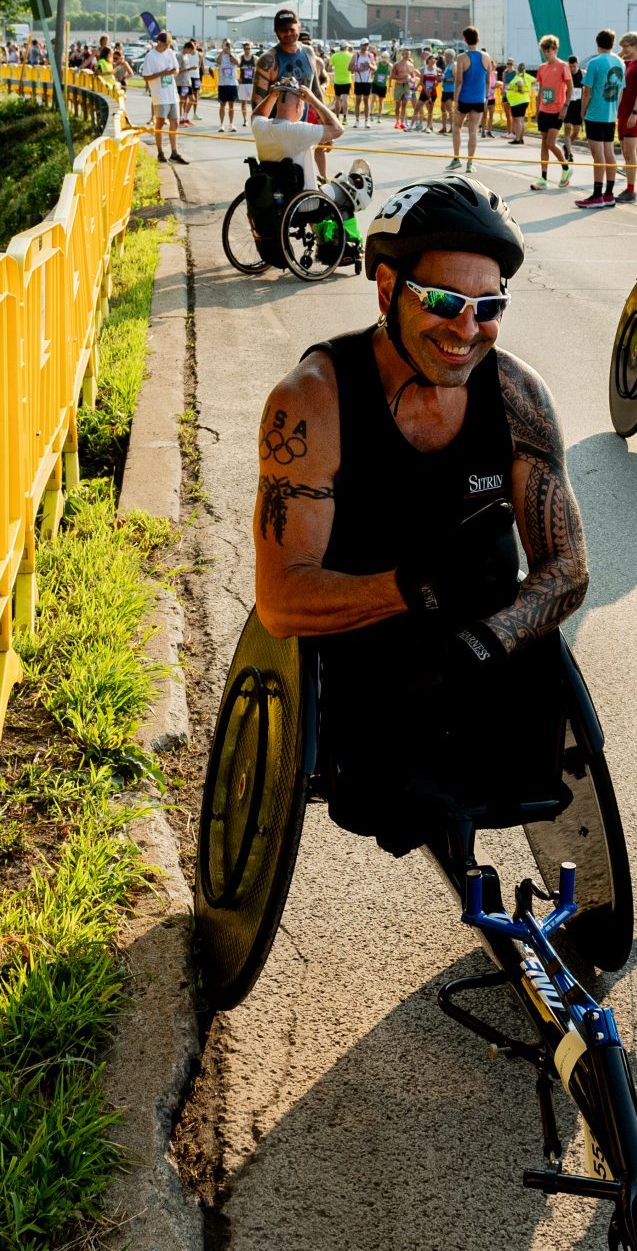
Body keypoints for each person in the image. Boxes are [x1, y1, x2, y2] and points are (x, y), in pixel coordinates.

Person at [250, 175, 588, 855]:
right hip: (372, 638)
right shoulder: (314, 400)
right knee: (397, 787)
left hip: (488, 632)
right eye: (442, 301)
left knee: (535, 708)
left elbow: (568, 568)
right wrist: (412, 590)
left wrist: (485, 640)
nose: (467, 328)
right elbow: (282, 603)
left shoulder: (519, 394)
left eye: (488, 305)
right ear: (386, 291)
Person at [577, 29, 627, 209]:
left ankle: (597, 194)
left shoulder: (594, 63)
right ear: (613, 44)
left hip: (595, 113)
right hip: (610, 113)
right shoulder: (620, 63)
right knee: (609, 153)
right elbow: (620, 91)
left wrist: (582, 111)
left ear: (597, 43)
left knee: (598, 155)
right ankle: (609, 193)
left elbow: (587, 91)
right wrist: (614, 109)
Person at [530, 35, 574, 191]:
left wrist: (565, 107)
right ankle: (543, 177)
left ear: (555, 50)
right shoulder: (542, 68)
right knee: (543, 144)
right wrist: (537, 109)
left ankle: (566, 167)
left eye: (549, 51)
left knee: (550, 143)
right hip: (544, 110)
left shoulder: (563, 66)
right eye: (544, 51)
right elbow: (541, 89)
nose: (546, 54)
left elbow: (571, 88)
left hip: (557, 110)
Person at [449, 27, 497, 172]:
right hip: (478, 99)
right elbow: (488, 80)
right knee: (473, 131)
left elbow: (459, 82)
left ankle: (456, 158)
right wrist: (486, 96)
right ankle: (470, 163)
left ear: (464, 40)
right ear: (478, 39)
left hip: (464, 98)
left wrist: (456, 100)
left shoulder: (462, 58)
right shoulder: (486, 57)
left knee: (456, 127)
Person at [138, 29, 187, 164]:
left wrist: (173, 72)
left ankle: (174, 152)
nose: (167, 46)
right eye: (165, 44)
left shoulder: (170, 53)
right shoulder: (150, 56)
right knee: (159, 123)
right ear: (158, 42)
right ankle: (160, 151)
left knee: (175, 123)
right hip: (160, 95)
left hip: (172, 94)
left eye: (169, 44)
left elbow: (176, 70)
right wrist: (162, 73)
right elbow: (146, 76)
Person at [615, 32, 637, 203]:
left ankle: (631, 189)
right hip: (622, 111)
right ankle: (628, 188)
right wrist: (623, 52)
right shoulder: (629, 62)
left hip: (632, 113)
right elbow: (614, 58)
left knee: (630, 152)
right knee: (625, 153)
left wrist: (635, 112)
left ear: (635, 45)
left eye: (626, 46)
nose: (623, 50)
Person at [504, 60, 533, 144]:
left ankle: (517, 139)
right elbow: (535, 80)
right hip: (525, 100)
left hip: (517, 101)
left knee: (517, 120)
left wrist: (520, 89)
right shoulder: (527, 76)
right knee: (521, 120)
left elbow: (519, 84)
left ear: (518, 69)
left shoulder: (518, 76)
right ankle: (521, 138)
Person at [216, 39, 239, 132]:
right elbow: (217, 61)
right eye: (225, 44)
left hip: (232, 83)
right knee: (222, 104)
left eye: (228, 44)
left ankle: (231, 124)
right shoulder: (220, 55)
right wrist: (223, 52)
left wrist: (229, 53)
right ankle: (221, 125)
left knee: (231, 105)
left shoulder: (234, 54)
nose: (227, 46)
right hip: (222, 84)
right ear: (222, 45)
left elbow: (237, 62)